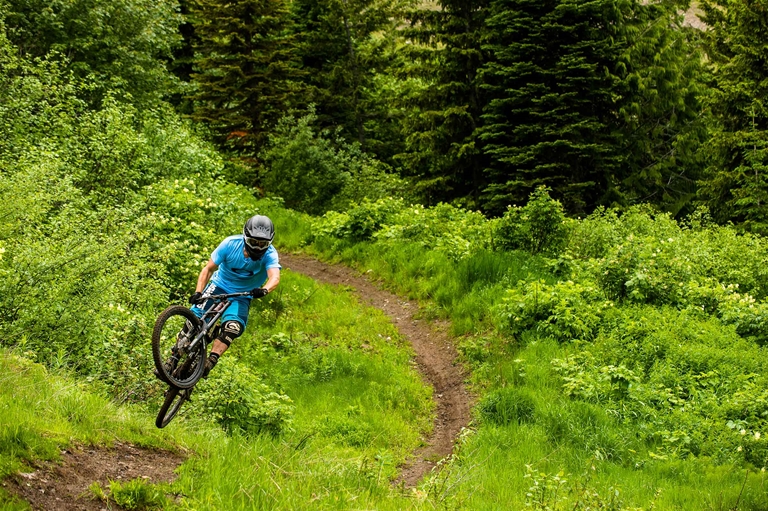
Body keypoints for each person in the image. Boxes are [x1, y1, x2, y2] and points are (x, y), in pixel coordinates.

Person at [188, 214, 281, 377]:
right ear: (245, 238)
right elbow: (208, 269)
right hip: (218, 286)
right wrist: (198, 292)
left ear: (270, 243)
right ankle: (174, 355)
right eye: (254, 242)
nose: (258, 248)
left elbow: (274, 277)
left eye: (263, 244)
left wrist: (264, 289)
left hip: (242, 296)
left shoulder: (270, 254)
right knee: (193, 320)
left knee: (233, 327)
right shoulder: (230, 244)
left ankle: (210, 361)